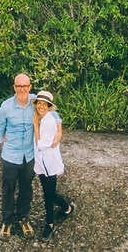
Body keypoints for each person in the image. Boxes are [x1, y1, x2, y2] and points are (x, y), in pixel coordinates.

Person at [0, 73, 37, 241]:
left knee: (26, 188)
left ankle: (23, 217)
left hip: (29, 155)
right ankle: (7, 220)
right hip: (11, 155)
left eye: (25, 86)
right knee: (9, 189)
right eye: (19, 86)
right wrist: (0, 139)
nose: (22, 89)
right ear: (14, 87)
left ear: (30, 87)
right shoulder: (6, 106)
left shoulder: (36, 102)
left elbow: (51, 112)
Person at [33, 90, 74, 242]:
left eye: (45, 104)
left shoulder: (49, 120)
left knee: (49, 195)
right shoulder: (41, 117)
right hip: (41, 164)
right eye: (39, 103)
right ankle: (66, 208)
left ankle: (50, 224)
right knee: (48, 193)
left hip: (49, 163)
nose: (41, 106)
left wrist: (35, 126)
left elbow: (42, 144)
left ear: (49, 106)